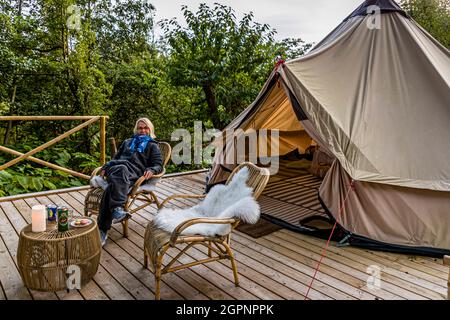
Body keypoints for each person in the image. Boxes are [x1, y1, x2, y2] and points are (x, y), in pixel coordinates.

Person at [97, 118, 163, 246]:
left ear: (150, 129)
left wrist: (152, 169)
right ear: (136, 129)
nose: (142, 130)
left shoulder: (152, 146)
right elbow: (115, 158)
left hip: (134, 174)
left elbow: (158, 164)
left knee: (111, 187)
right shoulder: (127, 142)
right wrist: (106, 167)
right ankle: (117, 208)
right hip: (116, 169)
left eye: (145, 128)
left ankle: (102, 229)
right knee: (120, 168)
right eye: (140, 128)